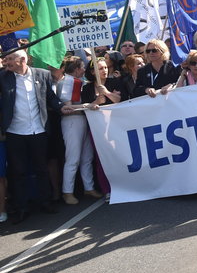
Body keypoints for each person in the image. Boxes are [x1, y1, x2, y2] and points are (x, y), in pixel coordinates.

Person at [1, 50, 75, 224]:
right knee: (18, 172)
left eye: (11, 59)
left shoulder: (42, 75)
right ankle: (21, 207)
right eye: (6, 59)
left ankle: (45, 202)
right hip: (15, 132)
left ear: (22, 60)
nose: (7, 61)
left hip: (38, 130)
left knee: (41, 168)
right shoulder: (3, 77)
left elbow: (51, 98)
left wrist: (61, 107)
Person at [55, 57, 100, 205]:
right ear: (76, 69)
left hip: (82, 119)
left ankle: (89, 187)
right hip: (73, 121)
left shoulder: (76, 81)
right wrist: (87, 105)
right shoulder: (70, 81)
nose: (84, 69)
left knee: (87, 156)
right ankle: (67, 192)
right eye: (82, 67)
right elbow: (67, 107)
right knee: (73, 158)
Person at [79, 58, 121, 201]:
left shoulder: (114, 82)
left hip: (114, 125)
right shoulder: (87, 88)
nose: (104, 70)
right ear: (93, 72)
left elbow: (119, 100)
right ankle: (107, 189)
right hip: (97, 128)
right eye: (100, 68)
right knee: (101, 158)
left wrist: (107, 93)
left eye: (105, 67)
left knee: (118, 155)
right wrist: (95, 102)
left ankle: (122, 185)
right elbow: (85, 106)